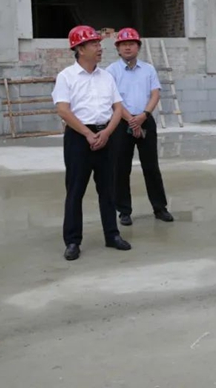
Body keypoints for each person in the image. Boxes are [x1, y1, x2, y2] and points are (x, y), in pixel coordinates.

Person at [52, 25, 131, 261]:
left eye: (99, 44)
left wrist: (106, 133)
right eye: (94, 44)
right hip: (78, 138)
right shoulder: (66, 77)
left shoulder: (106, 76)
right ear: (80, 49)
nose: (99, 48)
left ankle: (112, 235)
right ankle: (72, 241)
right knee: (75, 190)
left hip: (106, 135)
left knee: (108, 189)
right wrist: (87, 134)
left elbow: (118, 108)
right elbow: (63, 110)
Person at [106, 28, 174, 227]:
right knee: (121, 168)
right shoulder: (111, 71)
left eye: (131, 44)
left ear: (138, 47)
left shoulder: (148, 69)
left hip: (145, 119)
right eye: (123, 44)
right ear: (118, 48)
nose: (127, 47)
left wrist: (144, 115)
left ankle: (160, 208)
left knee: (151, 166)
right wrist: (130, 119)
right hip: (121, 123)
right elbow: (113, 99)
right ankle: (124, 211)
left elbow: (155, 94)